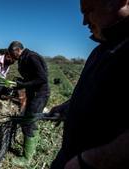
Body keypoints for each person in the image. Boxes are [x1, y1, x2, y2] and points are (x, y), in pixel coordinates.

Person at [49, 0, 129, 168]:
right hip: (71, 155)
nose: (84, 21)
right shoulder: (100, 50)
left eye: (89, 10)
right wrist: (68, 106)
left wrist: (91, 160)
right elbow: (99, 95)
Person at [8, 41, 50, 166]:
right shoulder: (23, 58)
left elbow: (42, 78)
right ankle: (33, 146)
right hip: (34, 93)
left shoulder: (32, 57)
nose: (11, 56)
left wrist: (24, 85)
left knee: (28, 123)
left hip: (39, 95)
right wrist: (21, 82)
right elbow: (31, 77)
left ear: (17, 50)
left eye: (12, 53)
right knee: (31, 120)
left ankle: (26, 159)